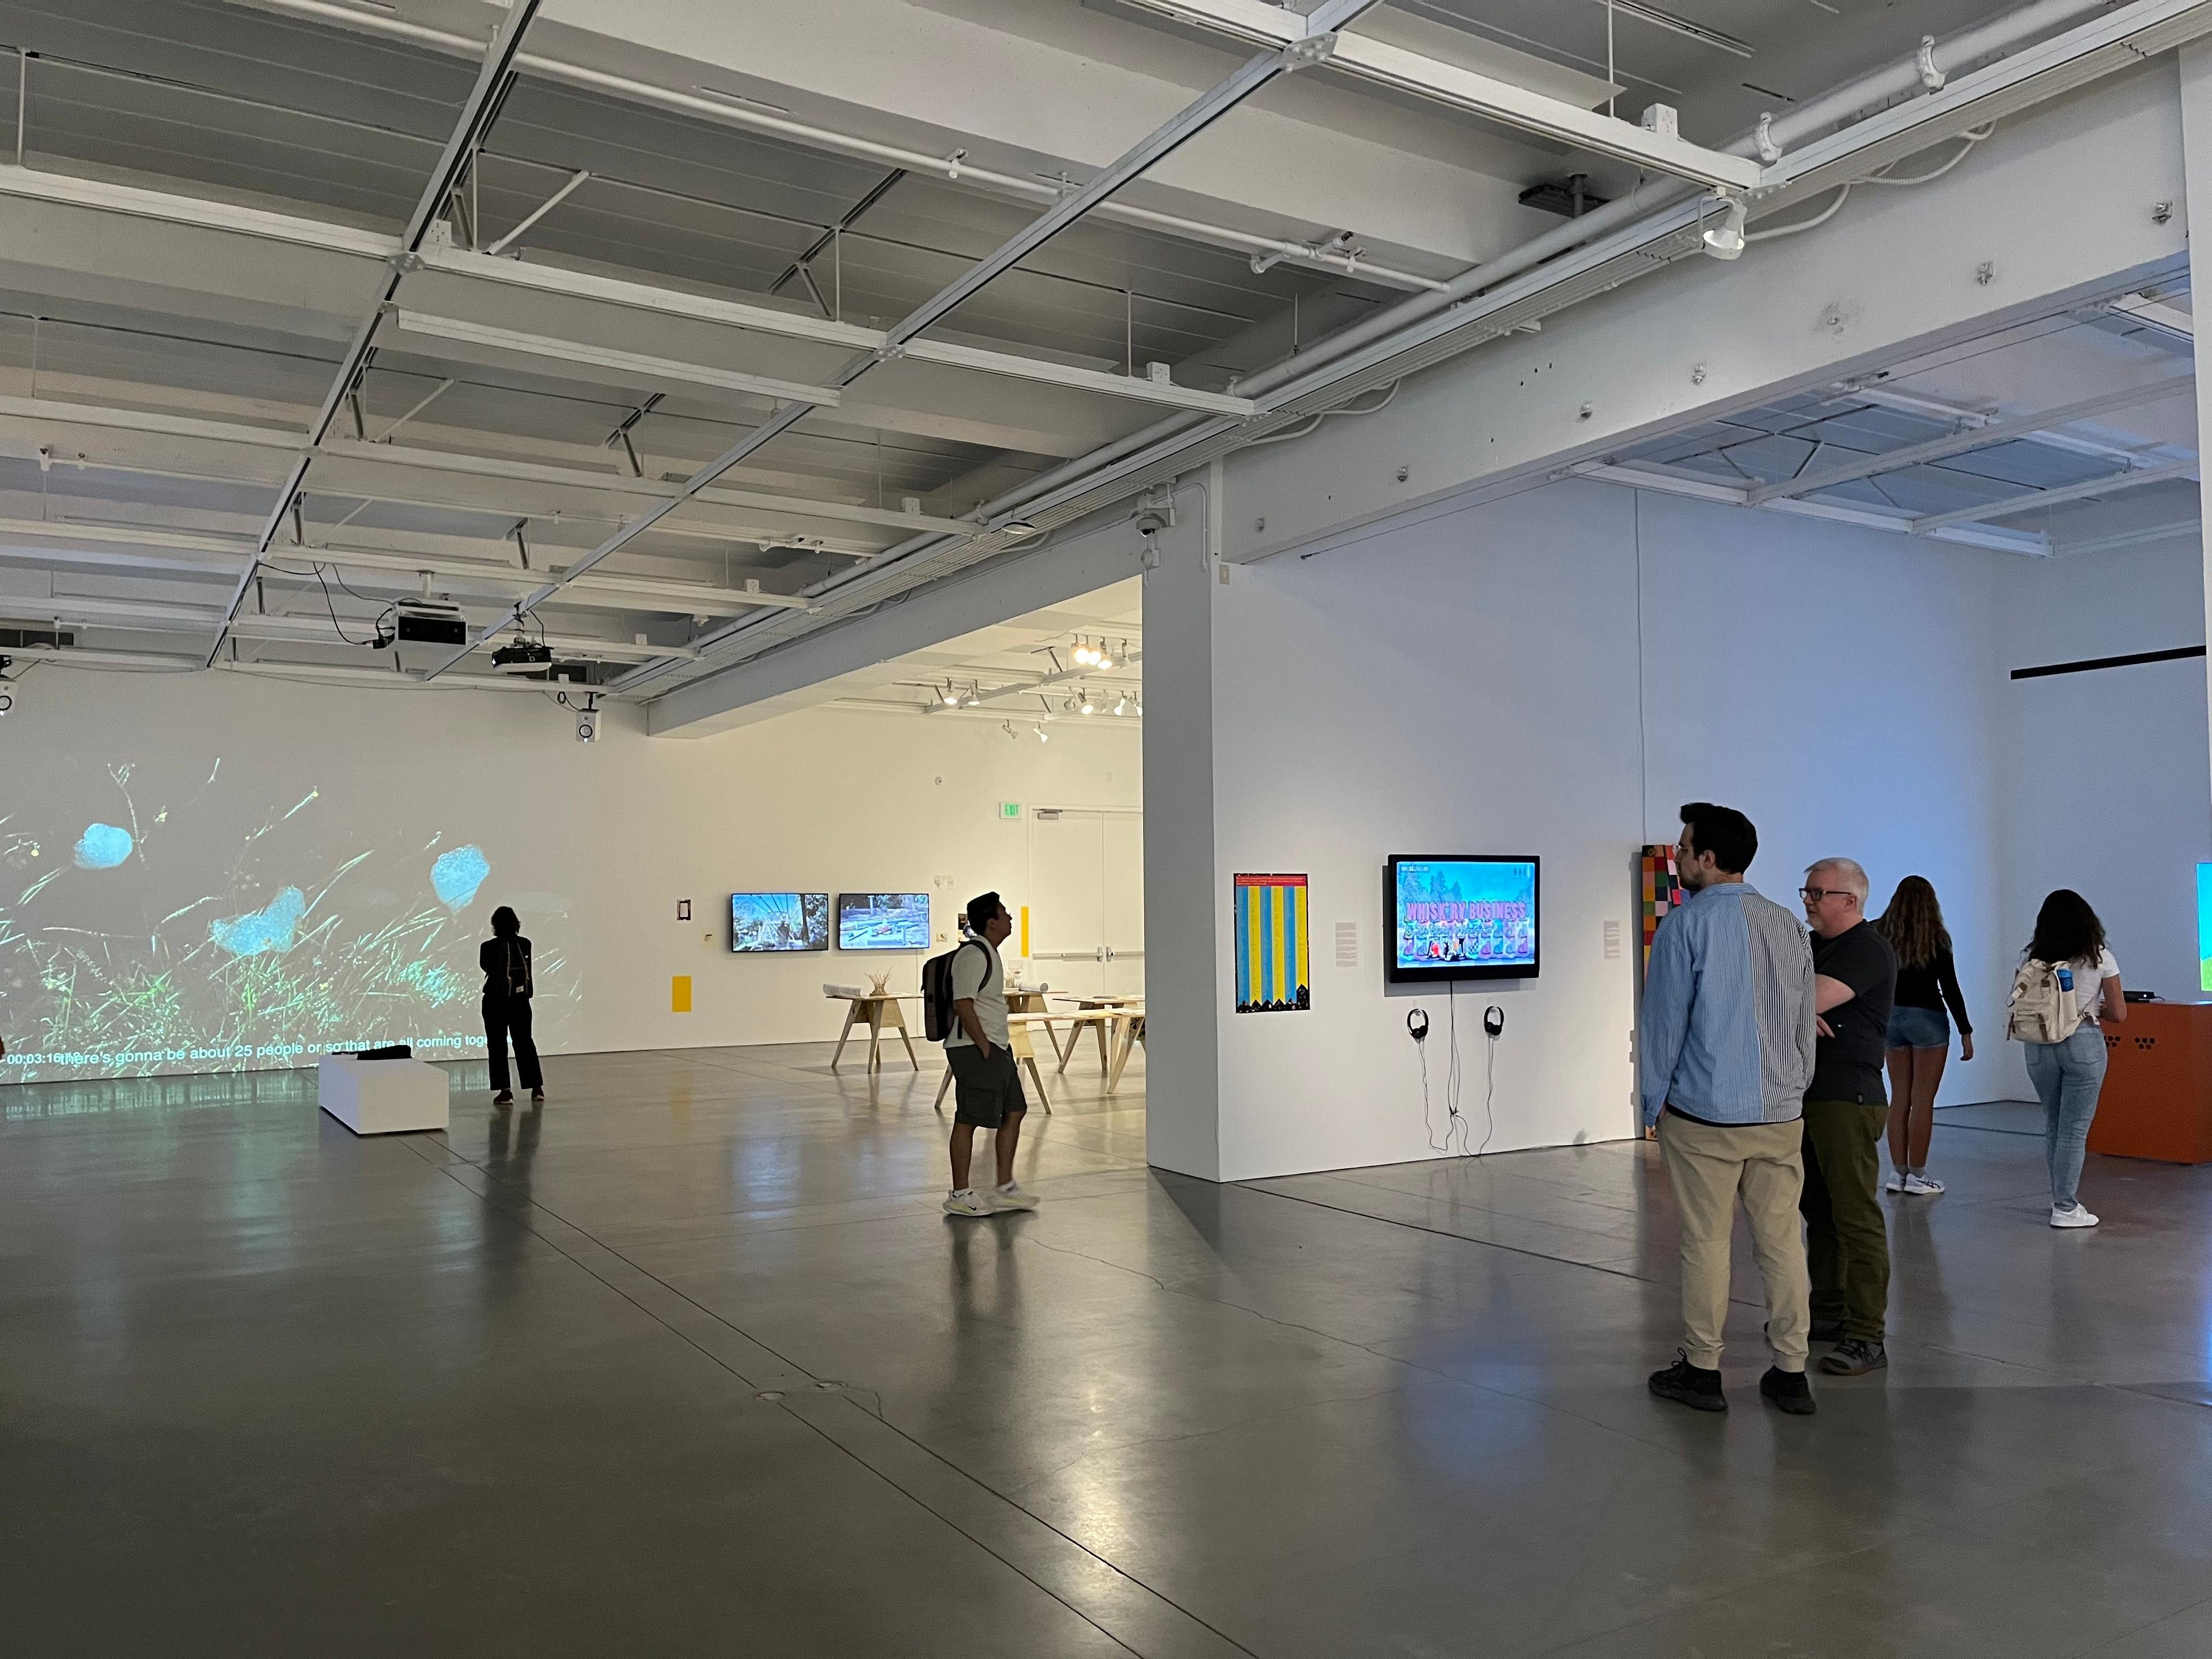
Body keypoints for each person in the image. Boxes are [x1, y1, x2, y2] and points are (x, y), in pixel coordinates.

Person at [1641, 803, 1820, 1418]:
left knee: (1707, 1243)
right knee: (1782, 1243)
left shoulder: (1685, 927)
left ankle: (1702, 1369)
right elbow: (1802, 1022)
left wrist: (1649, 1101)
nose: (1680, 858)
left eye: (1685, 849)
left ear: (1707, 859)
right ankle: (1792, 1371)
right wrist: (1794, 1092)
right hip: (1779, 1115)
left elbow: (1664, 1023)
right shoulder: (1789, 925)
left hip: (1704, 1117)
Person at [1799, 858, 1897, 1379]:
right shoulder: (1814, 947)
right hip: (1809, 1095)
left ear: (1850, 901)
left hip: (1848, 1097)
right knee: (1819, 1211)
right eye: (1807, 891)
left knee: (1856, 1216)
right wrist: (1794, 1004)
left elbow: (1808, 996)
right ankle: (1830, 1315)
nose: (1809, 900)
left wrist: (1796, 1003)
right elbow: (1778, 992)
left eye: (1818, 892)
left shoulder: (1867, 949)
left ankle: (1867, 1336)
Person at [2018, 889, 2126, 1228]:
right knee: (2074, 1130)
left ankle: (2059, 1200)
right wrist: (2094, 1006)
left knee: (2054, 1123)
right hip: (2083, 1042)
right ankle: (2066, 1207)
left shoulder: (2032, 961)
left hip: (2037, 1045)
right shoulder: (2100, 958)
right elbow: (2120, 1014)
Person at [1872, 876, 1974, 1195]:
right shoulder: (1937, 937)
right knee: (1923, 1100)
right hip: (1929, 1019)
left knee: (1899, 1098)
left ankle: (1897, 1173)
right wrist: (1965, 1031)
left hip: (1891, 1020)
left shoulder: (1879, 933)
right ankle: (1918, 1175)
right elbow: (1950, 988)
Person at [941, 891, 1040, 1218]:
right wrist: (983, 1045)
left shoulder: (989, 953)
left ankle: (1005, 1187)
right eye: (1005, 913)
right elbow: (963, 1002)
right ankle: (960, 1193)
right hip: (975, 1049)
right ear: (991, 921)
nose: (1011, 918)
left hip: (996, 1047)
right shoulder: (974, 955)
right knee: (969, 1117)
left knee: (1015, 1110)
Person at [480, 906, 543, 1109]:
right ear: (516, 923)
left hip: (495, 1002)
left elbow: (486, 967)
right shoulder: (525, 944)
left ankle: (505, 1092)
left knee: (497, 1045)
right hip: (521, 1001)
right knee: (525, 1042)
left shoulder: (488, 947)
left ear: (495, 926)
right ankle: (537, 1089)